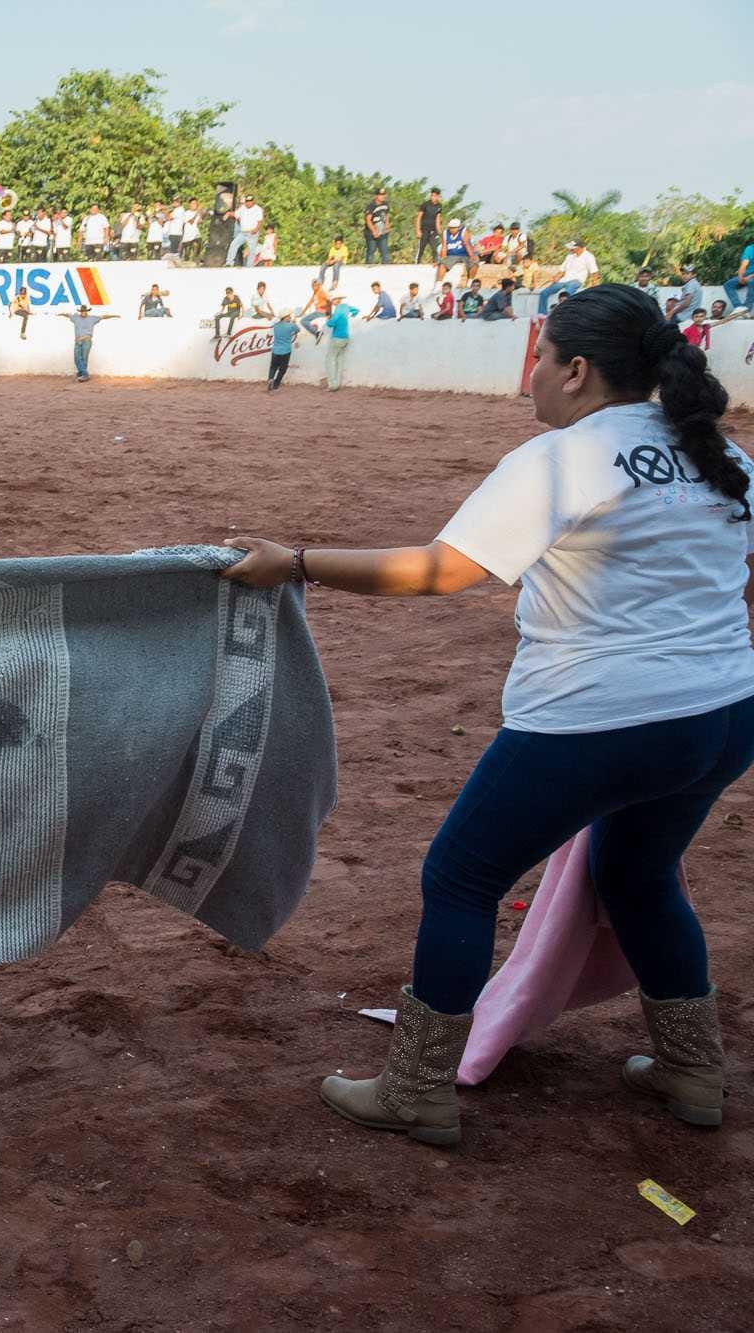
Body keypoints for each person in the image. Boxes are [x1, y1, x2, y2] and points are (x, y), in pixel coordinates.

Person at [222, 283, 754, 1147]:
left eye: (538, 358)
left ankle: (418, 1088)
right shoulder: (717, 455)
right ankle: (694, 1071)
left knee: (462, 876)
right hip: (724, 712)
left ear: (576, 370)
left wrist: (299, 562)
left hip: (600, 714)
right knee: (640, 871)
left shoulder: (560, 459)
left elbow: (441, 571)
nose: (529, 379)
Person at [538, 240, 600, 314]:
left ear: (579, 248)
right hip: (563, 280)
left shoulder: (589, 256)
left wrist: (595, 287)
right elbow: (561, 271)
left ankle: (560, 310)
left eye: (572, 248)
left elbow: (594, 273)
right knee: (544, 293)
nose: (570, 249)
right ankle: (542, 314)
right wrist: (556, 277)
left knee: (566, 294)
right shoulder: (569, 256)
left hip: (576, 280)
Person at [65, 305, 118, 381]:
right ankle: (82, 373)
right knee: (76, 358)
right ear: (80, 312)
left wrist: (114, 316)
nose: (84, 312)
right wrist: (61, 314)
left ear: (87, 311)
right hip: (77, 341)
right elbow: (68, 315)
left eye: (85, 311)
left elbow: (103, 316)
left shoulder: (92, 318)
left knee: (84, 358)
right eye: (82, 311)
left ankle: (84, 375)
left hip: (86, 340)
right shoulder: (75, 318)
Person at [323, 296, 359, 390]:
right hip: (346, 337)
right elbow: (356, 310)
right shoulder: (346, 306)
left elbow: (332, 323)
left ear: (336, 300)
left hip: (337, 337)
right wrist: (351, 317)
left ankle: (332, 385)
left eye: (333, 300)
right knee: (339, 360)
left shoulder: (338, 308)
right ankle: (337, 384)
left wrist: (328, 321)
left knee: (330, 360)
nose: (332, 302)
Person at [265, 308, 298, 391]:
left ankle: (270, 379)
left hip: (275, 349)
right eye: (289, 316)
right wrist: (294, 323)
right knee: (282, 369)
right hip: (286, 350)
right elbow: (297, 330)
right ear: (285, 317)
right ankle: (276, 385)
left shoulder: (276, 326)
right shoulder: (291, 325)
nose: (290, 318)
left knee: (273, 367)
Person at [415, 187, 444, 264]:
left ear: (438, 196)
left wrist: (440, 232)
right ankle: (417, 263)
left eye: (435, 196)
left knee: (435, 249)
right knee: (421, 248)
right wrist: (418, 230)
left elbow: (438, 219)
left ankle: (435, 263)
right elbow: (418, 218)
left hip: (433, 231)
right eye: (432, 195)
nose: (433, 197)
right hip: (424, 230)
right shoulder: (425, 205)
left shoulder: (439, 206)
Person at [362, 189, 391, 265]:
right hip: (371, 233)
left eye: (384, 194)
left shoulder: (386, 204)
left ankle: (386, 268)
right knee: (371, 250)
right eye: (381, 195)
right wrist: (374, 231)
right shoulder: (371, 206)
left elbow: (387, 214)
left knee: (385, 251)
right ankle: (368, 268)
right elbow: (368, 220)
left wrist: (387, 224)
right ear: (376, 196)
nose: (383, 196)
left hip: (382, 231)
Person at [725, 238, 754, 312]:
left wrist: (750, 277)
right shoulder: (750, 248)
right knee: (728, 285)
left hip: (751, 277)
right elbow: (743, 265)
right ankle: (739, 308)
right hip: (747, 274)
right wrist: (741, 277)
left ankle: (747, 309)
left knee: (751, 282)